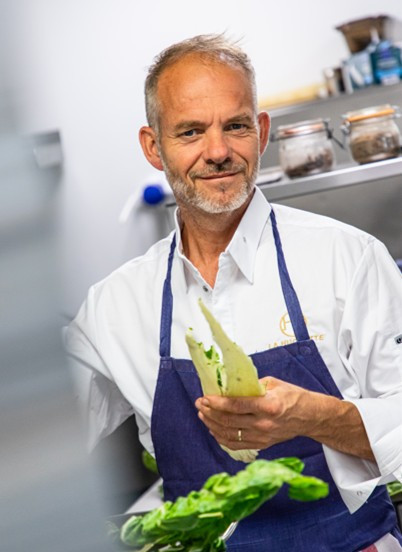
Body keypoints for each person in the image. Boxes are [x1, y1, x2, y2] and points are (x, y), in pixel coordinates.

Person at [65, 34, 402, 551]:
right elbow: (38, 443)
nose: (218, 151)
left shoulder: (348, 257)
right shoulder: (115, 306)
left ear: (262, 132)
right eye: (191, 131)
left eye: (236, 126)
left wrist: (316, 417)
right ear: (153, 147)